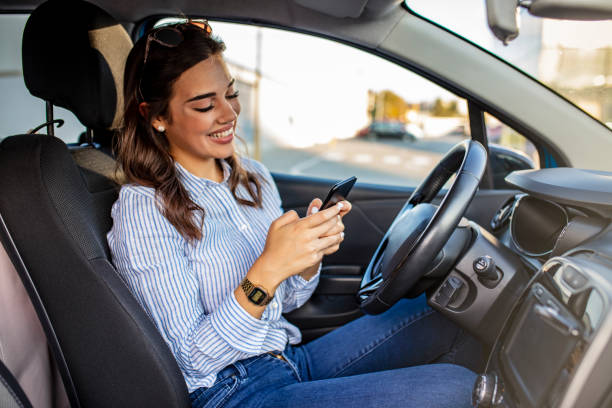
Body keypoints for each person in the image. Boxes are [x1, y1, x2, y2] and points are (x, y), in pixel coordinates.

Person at [107, 20, 478, 408]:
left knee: (451, 308)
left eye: (231, 94)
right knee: (457, 389)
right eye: (204, 104)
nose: (228, 113)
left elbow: (290, 300)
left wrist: (305, 258)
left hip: (288, 358)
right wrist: (267, 269)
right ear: (157, 116)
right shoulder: (144, 209)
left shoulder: (253, 179)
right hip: (228, 392)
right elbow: (192, 358)